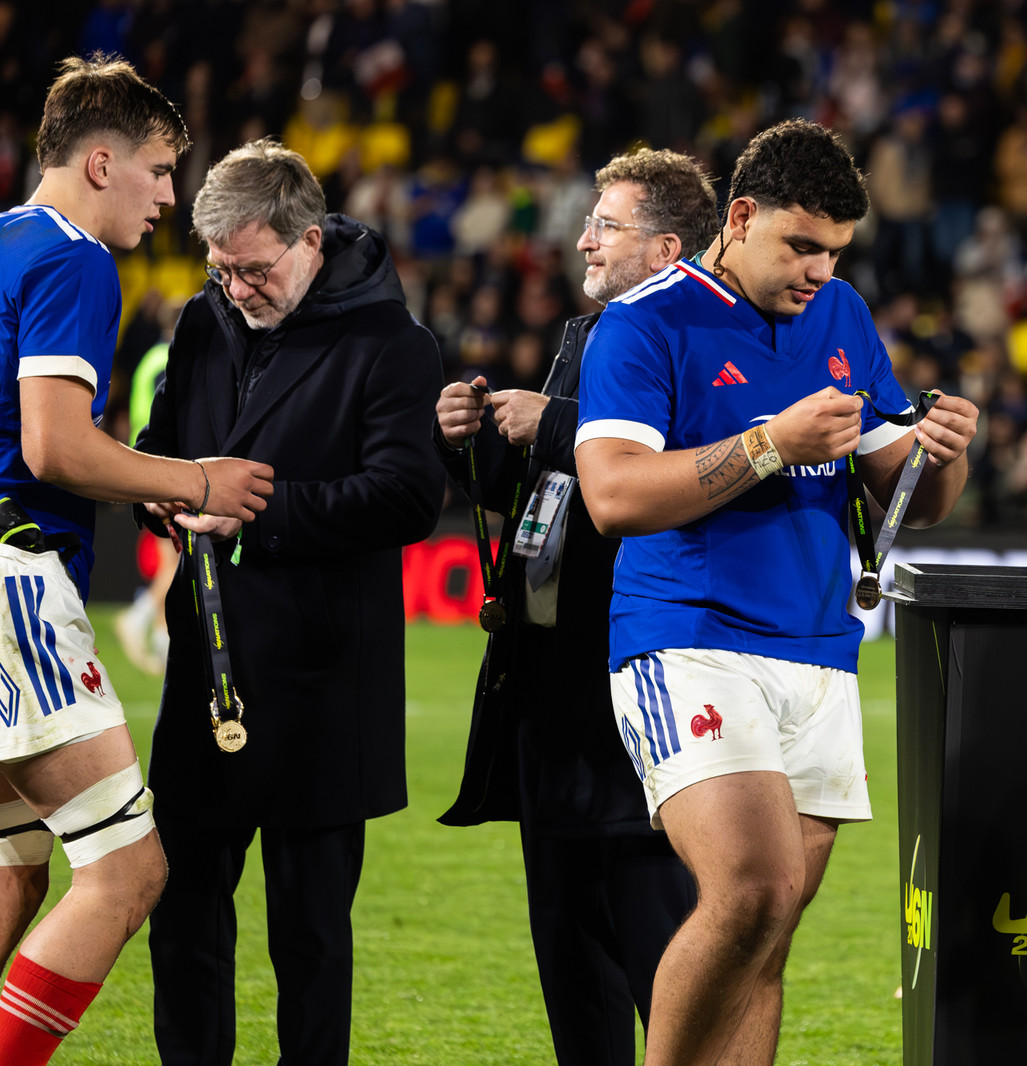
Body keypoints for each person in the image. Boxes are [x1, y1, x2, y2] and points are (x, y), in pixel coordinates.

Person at [573, 119, 979, 1066]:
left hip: (817, 652)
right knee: (751, 890)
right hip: (689, 638)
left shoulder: (841, 315)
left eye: (835, 253)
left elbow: (901, 498)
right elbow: (614, 496)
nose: (819, 273)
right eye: (802, 246)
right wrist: (770, 445)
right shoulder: (644, 324)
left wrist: (940, 457)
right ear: (741, 215)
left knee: (770, 928)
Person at [134, 139, 444, 1066]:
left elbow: (407, 498)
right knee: (183, 919)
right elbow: (161, 447)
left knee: (309, 937)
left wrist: (248, 514)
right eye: (219, 268)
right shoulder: (201, 322)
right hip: (209, 681)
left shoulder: (393, 344)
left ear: (311, 240)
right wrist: (163, 494)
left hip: (322, 687)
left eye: (254, 268)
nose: (236, 288)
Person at [0, 56, 274, 1065]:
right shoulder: (72, 257)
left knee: (13, 867)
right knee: (126, 870)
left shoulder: (3, 243)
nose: (170, 197)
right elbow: (52, 447)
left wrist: (133, 478)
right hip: (14, 581)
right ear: (102, 161)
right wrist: (196, 479)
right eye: (161, 171)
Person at [433, 148, 714, 1065]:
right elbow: (541, 499)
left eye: (607, 223)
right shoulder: (586, 331)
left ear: (669, 246)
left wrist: (548, 423)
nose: (583, 236)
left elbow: (645, 476)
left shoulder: (694, 338)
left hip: (631, 692)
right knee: (571, 964)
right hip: (552, 692)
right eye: (589, 219)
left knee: (662, 961)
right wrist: (474, 446)